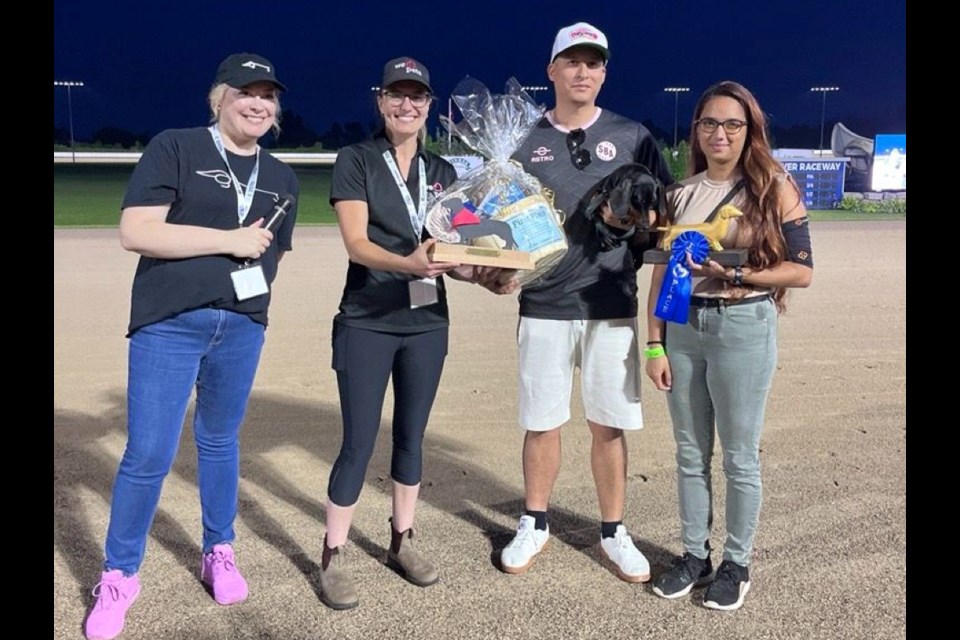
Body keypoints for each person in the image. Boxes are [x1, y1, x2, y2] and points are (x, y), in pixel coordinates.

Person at [83, 53, 298, 640]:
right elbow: (137, 231)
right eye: (245, 93)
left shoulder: (282, 175)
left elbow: (275, 253)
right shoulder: (177, 147)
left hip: (242, 324)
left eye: (268, 95)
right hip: (169, 323)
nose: (258, 103)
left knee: (221, 442)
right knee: (148, 453)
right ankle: (121, 575)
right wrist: (229, 241)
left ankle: (219, 550)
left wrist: (249, 292)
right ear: (218, 98)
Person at [319, 56, 513, 611]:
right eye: (397, 95)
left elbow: (452, 257)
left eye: (418, 97)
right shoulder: (355, 159)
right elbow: (356, 243)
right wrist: (409, 264)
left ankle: (401, 540)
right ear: (380, 101)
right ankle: (333, 553)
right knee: (357, 443)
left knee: (411, 437)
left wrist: (489, 278)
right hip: (367, 320)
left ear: (430, 107)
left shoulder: (445, 174)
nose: (407, 105)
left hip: (426, 323)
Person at [501, 22, 675, 582]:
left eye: (594, 62)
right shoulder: (520, 140)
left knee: (609, 423)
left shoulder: (633, 135)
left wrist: (630, 222)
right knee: (542, 421)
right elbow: (498, 220)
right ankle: (535, 521)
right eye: (572, 61)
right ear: (551, 70)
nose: (583, 72)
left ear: (604, 72)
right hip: (545, 302)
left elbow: (662, 220)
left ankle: (613, 530)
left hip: (611, 305)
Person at [645, 80, 814, 611]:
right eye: (710, 124)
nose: (720, 133)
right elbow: (660, 275)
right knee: (690, 453)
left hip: (743, 327)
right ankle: (694, 555)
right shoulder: (679, 194)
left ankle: (736, 563)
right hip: (684, 329)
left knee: (739, 456)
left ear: (750, 131)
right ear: (696, 131)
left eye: (732, 124)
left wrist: (745, 279)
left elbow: (802, 272)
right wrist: (654, 344)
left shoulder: (772, 187)